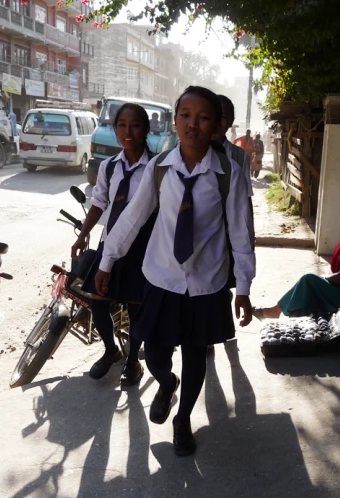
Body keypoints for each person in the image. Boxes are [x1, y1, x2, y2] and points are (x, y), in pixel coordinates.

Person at [95, 86, 255, 456]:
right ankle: (167, 383)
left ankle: (183, 419)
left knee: (196, 354)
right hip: (162, 277)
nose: (192, 124)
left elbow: (241, 232)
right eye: (185, 115)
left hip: (206, 282)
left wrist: (244, 287)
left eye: (202, 117)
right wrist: (107, 259)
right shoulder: (161, 167)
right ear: (175, 119)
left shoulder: (228, 174)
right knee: (154, 355)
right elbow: (132, 218)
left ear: (217, 124)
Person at [72, 103, 154, 387]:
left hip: (142, 248)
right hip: (110, 243)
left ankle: (133, 362)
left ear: (146, 129)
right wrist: (83, 235)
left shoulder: (156, 168)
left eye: (134, 125)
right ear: (115, 128)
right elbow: (98, 202)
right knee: (98, 299)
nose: (127, 132)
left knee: (135, 308)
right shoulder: (109, 167)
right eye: (121, 125)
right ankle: (111, 350)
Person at [255, 205, 340, 319]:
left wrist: (321, 279)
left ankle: (275, 311)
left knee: (309, 279)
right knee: (308, 285)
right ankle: (278, 311)